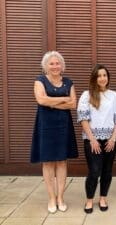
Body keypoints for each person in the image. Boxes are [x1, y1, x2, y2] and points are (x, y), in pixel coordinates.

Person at [31, 51, 78, 214]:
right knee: (48, 162)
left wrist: (51, 102)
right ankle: (51, 198)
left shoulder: (68, 82)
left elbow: (73, 104)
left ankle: (60, 198)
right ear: (46, 66)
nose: (55, 66)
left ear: (62, 65)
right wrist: (62, 99)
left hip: (63, 126)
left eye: (57, 63)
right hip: (46, 126)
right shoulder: (40, 80)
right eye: (51, 63)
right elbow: (41, 100)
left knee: (62, 162)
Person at [77, 64, 116, 213]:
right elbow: (83, 118)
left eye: (104, 75)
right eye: (99, 75)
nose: (102, 78)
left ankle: (103, 197)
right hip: (92, 140)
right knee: (94, 171)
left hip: (111, 140)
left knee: (107, 170)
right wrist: (92, 139)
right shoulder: (87, 95)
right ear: (94, 78)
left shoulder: (114, 95)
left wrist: (112, 139)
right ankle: (89, 200)